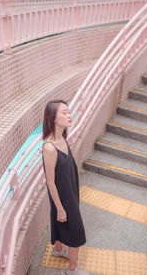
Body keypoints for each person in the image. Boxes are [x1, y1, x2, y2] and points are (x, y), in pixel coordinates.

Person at [42, 100, 88, 275]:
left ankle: (59, 249)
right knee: (76, 232)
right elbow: (50, 182)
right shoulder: (49, 148)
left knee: (61, 222)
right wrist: (60, 208)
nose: (69, 115)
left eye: (69, 112)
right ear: (53, 118)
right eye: (64, 113)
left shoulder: (62, 137)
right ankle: (72, 269)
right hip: (62, 197)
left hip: (70, 191)